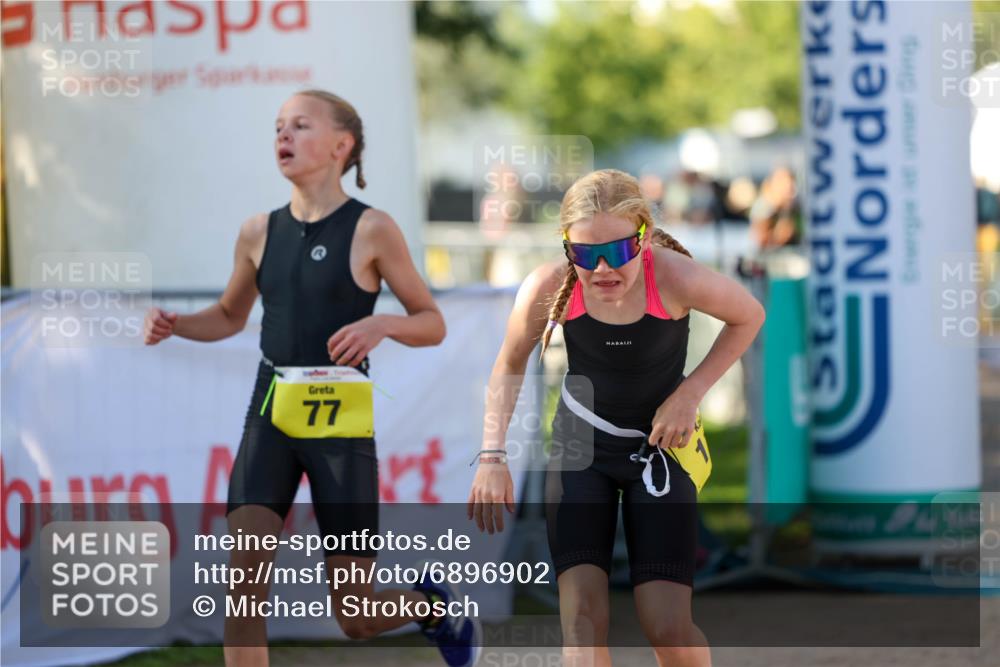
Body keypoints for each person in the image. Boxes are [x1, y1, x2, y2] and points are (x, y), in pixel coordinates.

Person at [144, 89, 480, 667]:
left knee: (354, 615)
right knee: (242, 594)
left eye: (300, 126)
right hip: (269, 417)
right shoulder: (257, 231)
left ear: (341, 146)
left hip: (339, 430)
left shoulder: (372, 229)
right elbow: (228, 316)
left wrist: (381, 324)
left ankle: (432, 606)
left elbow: (432, 323)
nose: (284, 136)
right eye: (278, 127)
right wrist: (176, 325)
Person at [467, 169, 765, 667]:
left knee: (667, 628)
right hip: (580, 450)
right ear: (566, 247)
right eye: (585, 254)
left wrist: (691, 393)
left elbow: (749, 314)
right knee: (582, 624)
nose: (603, 268)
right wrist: (492, 455)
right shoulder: (548, 285)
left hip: (661, 452)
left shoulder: (674, 276)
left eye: (619, 250)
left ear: (643, 236)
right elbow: (509, 364)